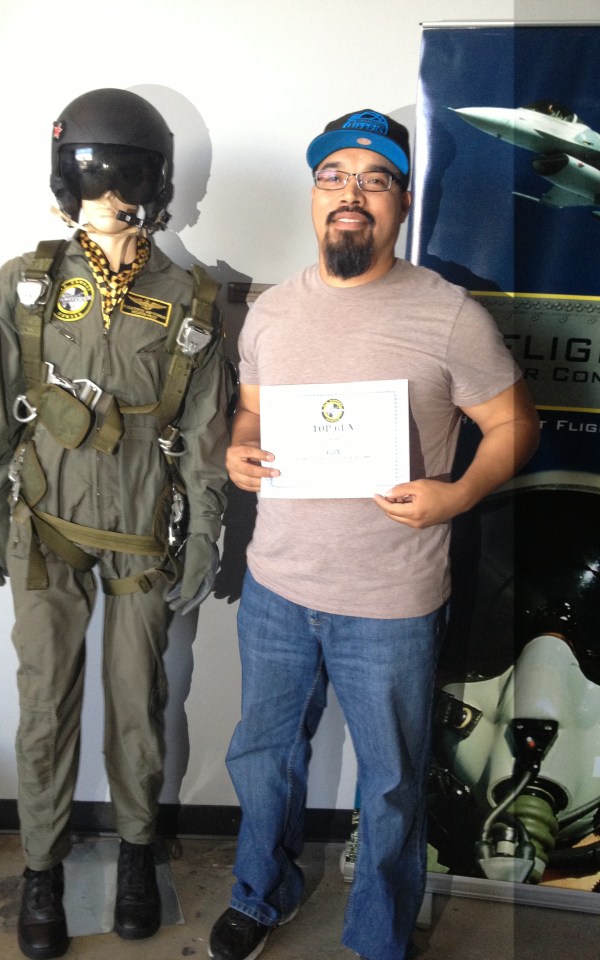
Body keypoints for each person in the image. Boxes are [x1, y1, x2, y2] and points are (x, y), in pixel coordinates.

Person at [208, 109, 540, 960]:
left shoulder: (448, 316)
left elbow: (515, 426)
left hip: (391, 601)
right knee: (263, 757)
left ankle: (380, 935)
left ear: (401, 201)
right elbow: (250, 413)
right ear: (314, 194)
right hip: (277, 588)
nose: (350, 193)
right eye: (334, 175)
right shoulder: (272, 312)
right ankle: (260, 893)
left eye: (375, 178)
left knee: (391, 781)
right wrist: (239, 448)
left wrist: (458, 493)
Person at [0, 88, 229, 960]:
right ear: (64, 182)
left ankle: (135, 853)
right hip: (44, 526)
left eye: (124, 179)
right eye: (90, 178)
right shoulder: (27, 283)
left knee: (137, 704)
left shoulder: (192, 301)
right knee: (44, 705)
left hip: (143, 532)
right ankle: (40, 868)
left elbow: (205, 436)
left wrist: (205, 534)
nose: (108, 198)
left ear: (156, 185)